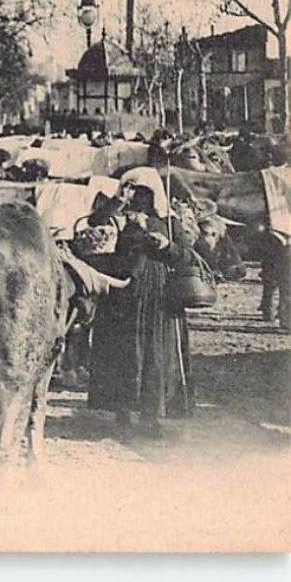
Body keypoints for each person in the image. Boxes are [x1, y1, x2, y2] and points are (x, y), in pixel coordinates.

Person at [85, 168, 197, 435]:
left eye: (143, 192)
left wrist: (166, 247)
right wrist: (117, 202)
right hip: (122, 292)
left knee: (155, 354)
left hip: (157, 295)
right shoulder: (116, 216)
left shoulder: (170, 222)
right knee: (122, 352)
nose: (137, 197)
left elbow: (188, 256)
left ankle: (151, 415)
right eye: (132, 190)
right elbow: (94, 223)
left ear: (154, 194)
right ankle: (121, 412)